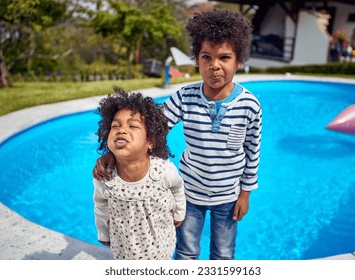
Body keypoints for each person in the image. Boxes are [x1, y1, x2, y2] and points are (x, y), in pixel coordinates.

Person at [93, 9, 262, 260]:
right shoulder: (185, 96)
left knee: (224, 254)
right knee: (186, 252)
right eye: (206, 57)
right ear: (196, 59)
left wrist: (245, 194)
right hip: (190, 192)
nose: (214, 66)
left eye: (224, 57)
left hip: (228, 195)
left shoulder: (250, 105)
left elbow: (252, 152)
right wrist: (113, 153)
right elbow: (153, 129)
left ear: (238, 60)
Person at [93, 87, 186, 260]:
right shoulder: (105, 177)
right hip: (124, 247)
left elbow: (177, 189)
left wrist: (180, 212)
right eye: (115, 126)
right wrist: (103, 232)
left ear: (150, 141)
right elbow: (100, 205)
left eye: (133, 126)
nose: (121, 130)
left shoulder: (163, 171)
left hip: (160, 245)